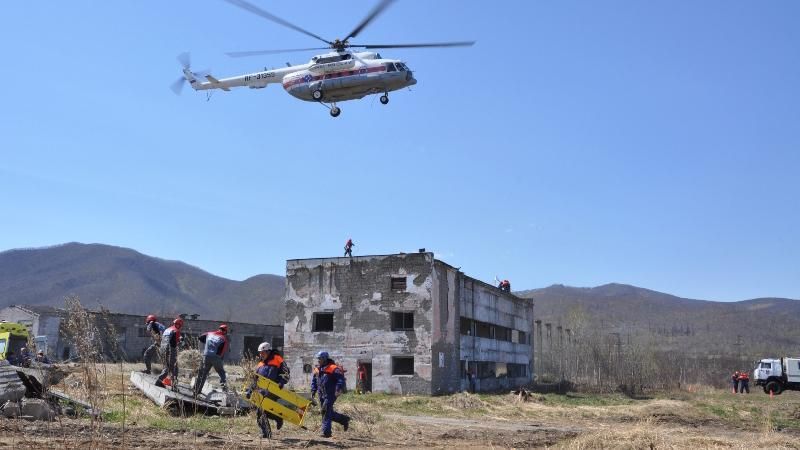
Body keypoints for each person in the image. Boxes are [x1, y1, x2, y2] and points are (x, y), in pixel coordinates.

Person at [246, 342, 289, 438]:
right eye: (260, 353)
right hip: (261, 392)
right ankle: (277, 419)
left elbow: (286, 373)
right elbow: (255, 379)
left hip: (274, 391)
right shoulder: (260, 364)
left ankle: (266, 433)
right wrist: (249, 390)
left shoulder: (278, 359)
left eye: (263, 353)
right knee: (265, 411)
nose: (261, 355)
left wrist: (282, 382)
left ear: (268, 352)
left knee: (261, 411)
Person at [310, 351, 350, 438]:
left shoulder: (333, 368)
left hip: (331, 394)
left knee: (325, 410)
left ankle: (326, 432)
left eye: (320, 359)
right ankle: (344, 419)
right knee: (328, 412)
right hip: (321, 394)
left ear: (324, 359)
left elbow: (341, 380)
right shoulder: (317, 369)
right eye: (318, 359)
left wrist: (338, 389)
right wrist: (313, 391)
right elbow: (314, 381)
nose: (318, 360)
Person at [194, 324, 230, 395]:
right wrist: (219, 359)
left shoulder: (209, 334)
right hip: (216, 358)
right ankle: (225, 391)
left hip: (206, 356)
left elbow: (200, 338)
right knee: (221, 373)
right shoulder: (224, 339)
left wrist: (208, 343)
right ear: (225, 331)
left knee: (202, 374)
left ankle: (196, 391)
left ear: (219, 329)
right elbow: (223, 352)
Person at [156, 318, 183, 390]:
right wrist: (181, 341)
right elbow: (176, 343)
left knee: (168, 367)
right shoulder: (176, 331)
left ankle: (160, 381)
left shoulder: (167, 330)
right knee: (174, 368)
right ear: (180, 325)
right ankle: (173, 386)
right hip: (170, 350)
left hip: (162, 349)